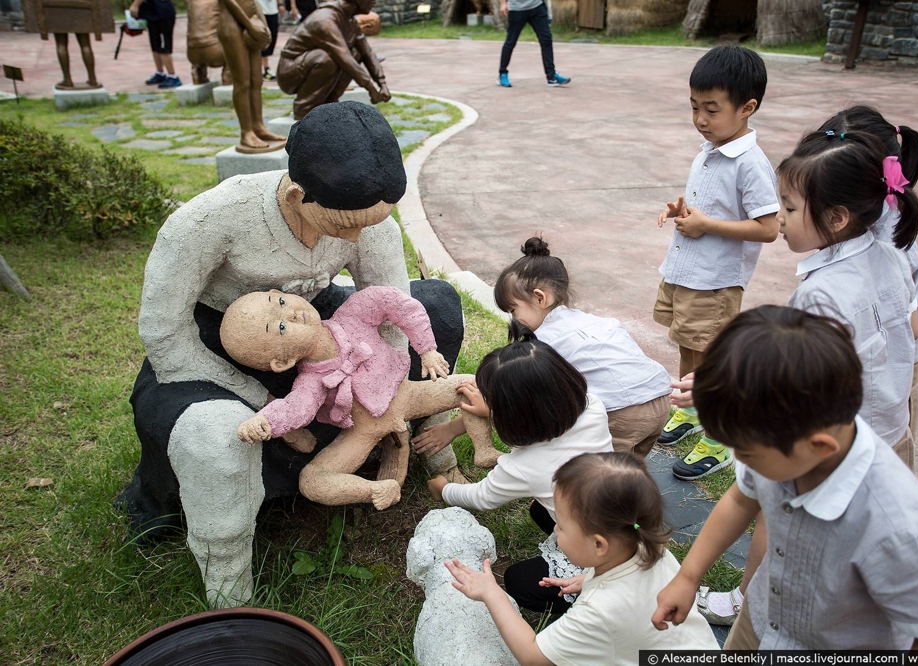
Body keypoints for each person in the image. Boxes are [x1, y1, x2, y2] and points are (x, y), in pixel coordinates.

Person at [116, 102, 467, 608]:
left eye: (368, 225)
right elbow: (165, 334)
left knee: (433, 306)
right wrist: (256, 394)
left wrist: (379, 388)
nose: (354, 238)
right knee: (213, 436)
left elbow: (393, 309)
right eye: (343, 225)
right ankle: (230, 589)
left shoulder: (367, 222)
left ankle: (408, 443)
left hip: (320, 327)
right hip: (220, 344)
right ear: (299, 195)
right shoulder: (208, 221)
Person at [696, 124, 918, 628]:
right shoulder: (890, 253)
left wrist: (730, 386)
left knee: (774, 519)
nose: (780, 217)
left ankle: (751, 612)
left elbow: (799, 383)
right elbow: (911, 330)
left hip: (830, 445)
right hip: (885, 430)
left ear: (837, 217)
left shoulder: (822, 294)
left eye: (790, 208)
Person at [651, 306, 918, 650]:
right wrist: (688, 576)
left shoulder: (899, 530)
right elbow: (741, 498)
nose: (739, 459)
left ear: (819, 447)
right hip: (761, 621)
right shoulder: (785, 444)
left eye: (746, 452)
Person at [218, 287, 499, 508]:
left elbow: (393, 302)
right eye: (280, 328)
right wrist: (265, 421)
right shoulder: (311, 381)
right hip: (362, 431)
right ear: (283, 361)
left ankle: (483, 449)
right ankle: (375, 490)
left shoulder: (352, 315)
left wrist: (426, 348)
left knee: (471, 384)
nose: (290, 314)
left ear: (281, 294)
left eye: (280, 304)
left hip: (409, 396)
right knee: (312, 481)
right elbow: (296, 408)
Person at [414, 236, 672, 459]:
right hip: (659, 400)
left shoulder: (544, 344)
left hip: (621, 413)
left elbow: (522, 401)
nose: (514, 320)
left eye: (513, 310)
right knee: (631, 471)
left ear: (539, 298)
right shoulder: (595, 321)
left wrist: (458, 425)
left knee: (601, 485)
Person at [448, 452, 719, 665]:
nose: (554, 529)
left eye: (562, 526)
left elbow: (533, 657)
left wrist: (490, 593)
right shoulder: (653, 549)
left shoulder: (598, 611)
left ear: (599, 545)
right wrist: (587, 579)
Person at [653, 45, 780, 481]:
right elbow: (710, 207)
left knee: (712, 359)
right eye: (694, 107)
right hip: (688, 272)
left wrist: (707, 225)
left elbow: (768, 227)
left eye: (711, 109)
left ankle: (721, 436)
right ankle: (693, 413)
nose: (700, 119)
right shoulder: (710, 148)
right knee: (690, 348)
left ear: (747, 108)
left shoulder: (750, 163)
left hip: (715, 282)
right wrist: (683, 211)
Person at [427, 324, 614, 616]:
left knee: (518, 581)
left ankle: (589, 600)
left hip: (600, 558)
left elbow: (481, 497)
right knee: (540, 509)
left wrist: (443, 488)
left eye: (496, 405)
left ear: (517, 418)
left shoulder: (525, 467)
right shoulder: (592, 407)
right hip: (619, 513)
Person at [818, 106, 918, 439]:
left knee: (883, 456)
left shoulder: (888, 243)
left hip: (886, 377)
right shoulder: (855, 222)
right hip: (863, 372)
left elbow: (909, 325)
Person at [276, 0, 390, 121]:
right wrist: (370, 88)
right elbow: (344, 57)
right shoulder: (324, 20)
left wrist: (382, 83)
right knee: (326, 59)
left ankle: (330, 102)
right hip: (289, 73)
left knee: (356, 54)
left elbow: (367, 52)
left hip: (307, 65)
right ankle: (304, 108)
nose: (374, 2)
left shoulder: (349, 20)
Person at [218, 0, 287, 152]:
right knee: (242, 82)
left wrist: (264, 25)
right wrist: (250, 26)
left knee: (257, 80)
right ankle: (246, 132)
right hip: (232, 24)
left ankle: (258, 126)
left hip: (252, 23)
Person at [497, 0, 569, 88]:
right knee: (511, 42)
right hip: (517, 9)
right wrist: (503, 3)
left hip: (537, 6)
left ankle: (551, 77)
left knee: (546, 40)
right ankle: (502, 74)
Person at [130, 0, 181, 88]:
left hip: (163, 14)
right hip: (151, 14)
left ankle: (173, 76)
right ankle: (160, 73)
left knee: (163, 47)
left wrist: (135, 5)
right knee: (155, 46)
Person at [259, 0, 286, 80]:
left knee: (272, 38)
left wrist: (280, 4)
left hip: (272, 11)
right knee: (263, 40)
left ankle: (265, 68)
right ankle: (265, 68)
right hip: (260, 12)